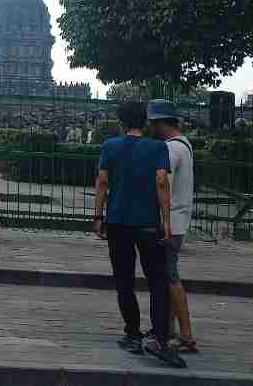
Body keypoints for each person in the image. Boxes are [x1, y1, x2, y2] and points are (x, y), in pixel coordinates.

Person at [92, 101, 185, 369]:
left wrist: (98, 217)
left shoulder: (110, 146)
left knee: (124, 280)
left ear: (121, 122)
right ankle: (158, 336)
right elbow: (161, 183)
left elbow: (102, 182)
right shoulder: (158, 148)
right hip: (148, 223)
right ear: (145, 123)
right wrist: (166, 223)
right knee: (157, 281)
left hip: (118, 221)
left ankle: (132, 333)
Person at [148, 99, 198, 355]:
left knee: (169, 277)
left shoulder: (170, 149)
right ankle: (167, 329)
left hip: (170, 223)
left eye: (153, 122)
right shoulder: (184, 144)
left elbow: (162, 185)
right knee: (165, 276)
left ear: (159, 122)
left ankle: (186, 334)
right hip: (178, 220)